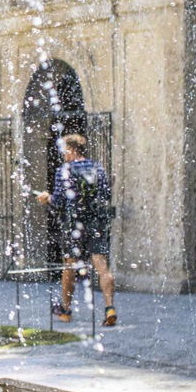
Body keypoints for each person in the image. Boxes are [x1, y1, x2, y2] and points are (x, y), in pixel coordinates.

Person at [34, 133, 117, 325]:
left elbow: (60, 201)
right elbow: (105, 194)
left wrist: (47, 198)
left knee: (69, 266)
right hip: (96, 221)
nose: (62, 154)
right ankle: (109, 307)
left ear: (71, 150)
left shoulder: (64, 170)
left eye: (64, 150)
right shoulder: (97, 167)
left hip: (73, 223)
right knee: (101, 265)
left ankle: (66, 309)